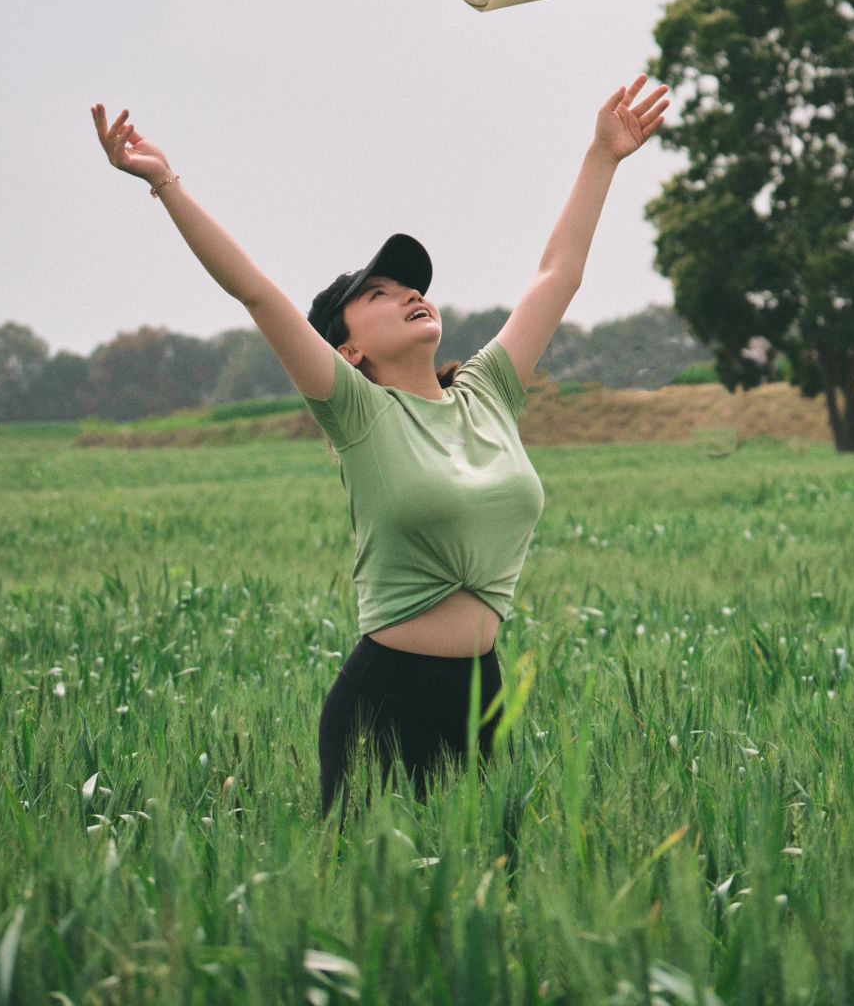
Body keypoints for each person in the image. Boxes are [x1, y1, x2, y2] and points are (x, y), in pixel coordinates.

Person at [90, 73, 669, 815]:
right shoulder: (357, 413)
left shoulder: (489, 390)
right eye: (378, 293)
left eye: (409, 285)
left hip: (483, 700)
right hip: (383, 706)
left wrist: (603, 155)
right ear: (349, 350)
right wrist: (164, 181)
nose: (406, 294)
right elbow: (258, 293)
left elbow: (558, 274)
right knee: (366, 919)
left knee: (485, 911)